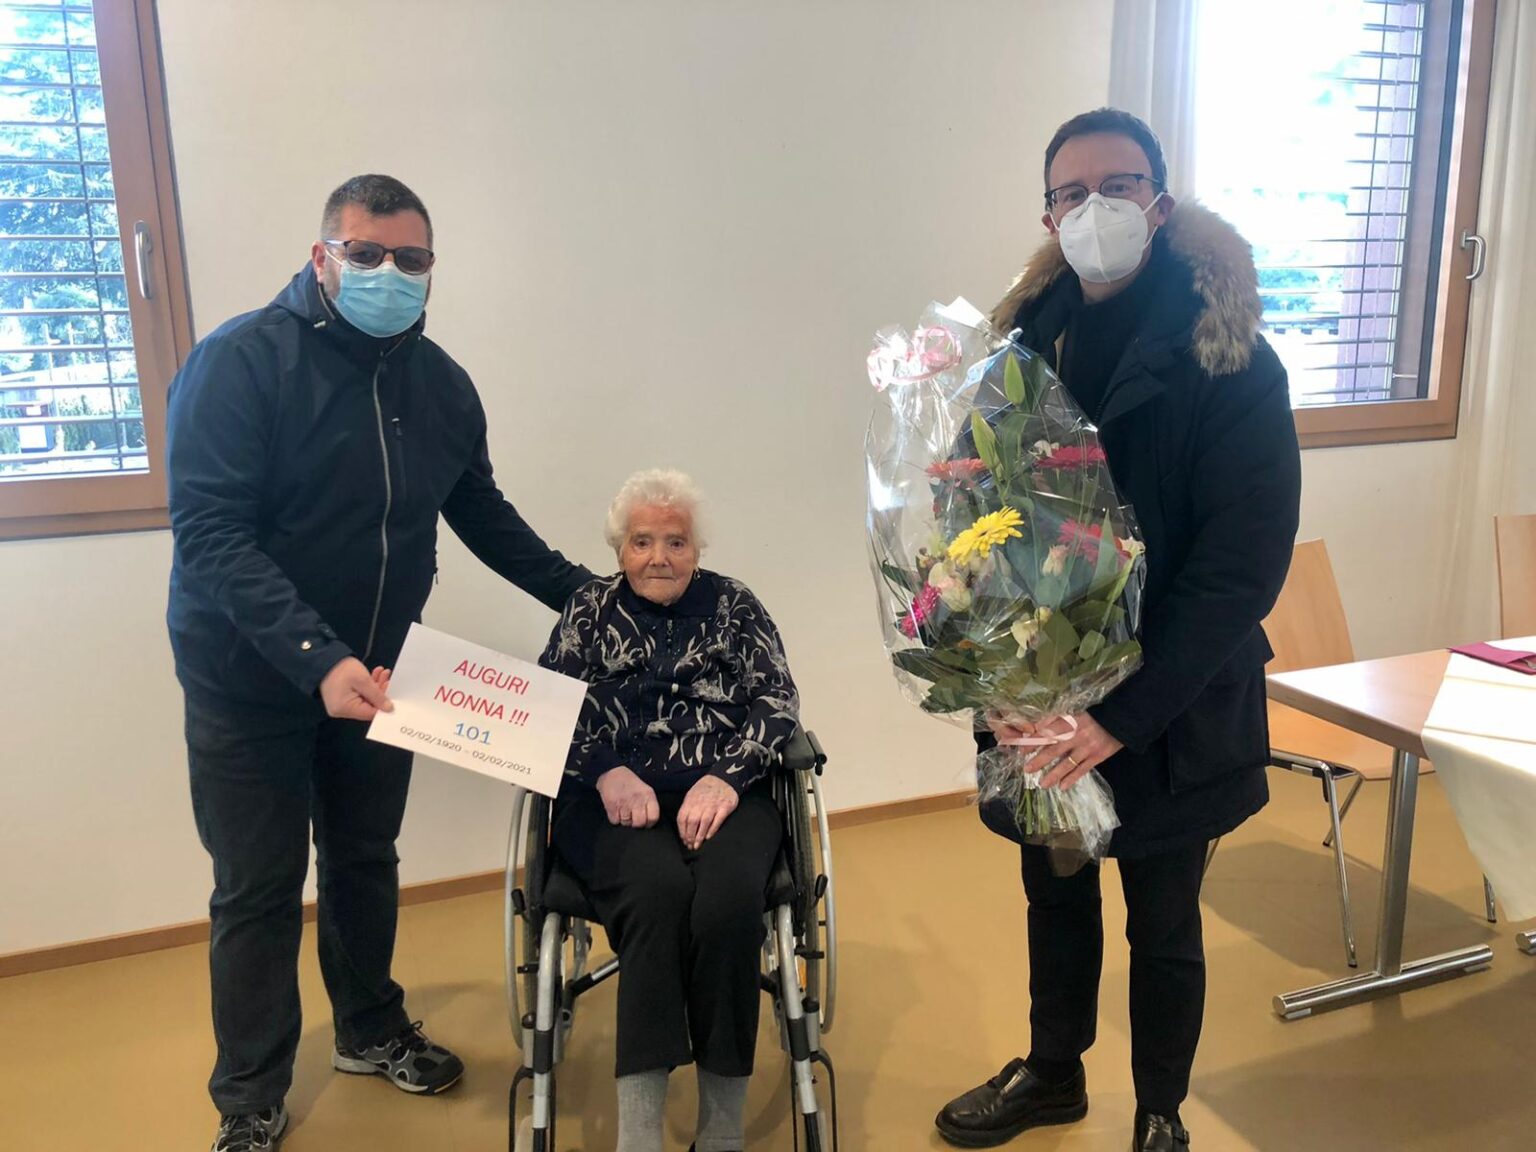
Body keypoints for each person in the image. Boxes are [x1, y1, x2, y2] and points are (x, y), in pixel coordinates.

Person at [166, 174, 591, 1152]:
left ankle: (368, 1027)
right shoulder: (239, 363)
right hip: (247, 678)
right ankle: (249, 1096)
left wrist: (591, 595)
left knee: (363, 856)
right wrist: (315, 657)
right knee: (258, 885)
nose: (388, 272)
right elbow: (212, 535)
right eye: (365, 254)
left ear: (432, 270)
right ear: (323, 257)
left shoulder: (439, 385)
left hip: (383, 679)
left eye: (411, 258)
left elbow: (480, 512)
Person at [934, 109, 1302, 1152]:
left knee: (1163, 917)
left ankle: (1160, 1113)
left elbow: (1239, 570)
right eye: (1071, 193)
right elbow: (974, 522)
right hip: (1041, 696)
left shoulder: (1231, 361)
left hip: (1171, 706)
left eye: (1119, 185)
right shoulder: (1017, 354)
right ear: (1049, 217)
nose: (1095, 207)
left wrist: (1124, 717)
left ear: (1161, 202)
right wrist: (996, 673)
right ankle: (1054, 1073)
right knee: (1054, 895)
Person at [538, 469, 800, 1152]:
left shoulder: (735, 605)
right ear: (619, 549)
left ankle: (721, 1131)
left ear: (697, 548)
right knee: (655, 896)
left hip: (724, 792)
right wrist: (605, 771)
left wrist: (729, 778)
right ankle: (640, 1134)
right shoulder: (589, 609)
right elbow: (544, 708)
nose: (659, 557)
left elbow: (777, 701)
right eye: (642, 541)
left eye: (675, 542)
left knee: (728, 905)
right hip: (609, 798)